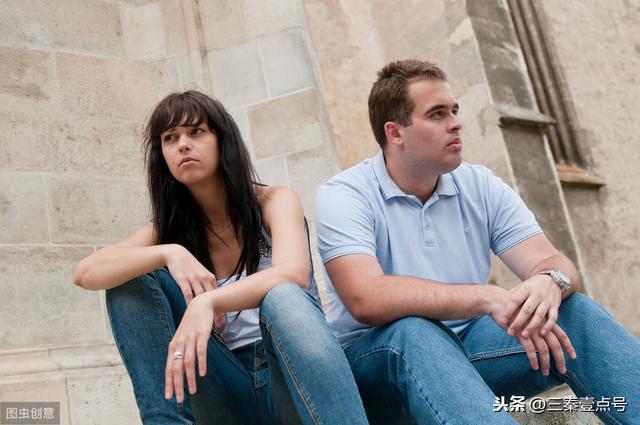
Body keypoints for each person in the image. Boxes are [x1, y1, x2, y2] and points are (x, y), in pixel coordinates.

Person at [315, 59, 640, 424]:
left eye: (454, 110)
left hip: (470, 356)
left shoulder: (479, 184)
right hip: (379, 372)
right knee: (414, 331)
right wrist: (486, 297)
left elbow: (551, 261)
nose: (456, 123)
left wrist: (551, 282)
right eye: (437, 114)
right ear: (395, 133)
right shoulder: (345, 195)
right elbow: (366, 298)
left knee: (574, 313)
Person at [73, 90, 368, 425]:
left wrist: (207, 302)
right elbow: (86, 272)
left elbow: (294, 273)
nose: (183, 144)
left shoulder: (273, 201)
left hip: (289, 378)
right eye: (170, 138)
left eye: (196, 131)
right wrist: (170, 252)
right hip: (224, 387)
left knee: (284, 296)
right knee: (130, 279)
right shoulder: (167, 230)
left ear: (221, 140)